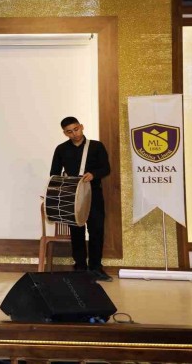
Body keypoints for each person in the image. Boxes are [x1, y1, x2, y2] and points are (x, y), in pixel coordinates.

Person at [50, 116, 111, 282]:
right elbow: (54, 173)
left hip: (94, 195)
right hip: (72, 196)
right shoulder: (61, 149)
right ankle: (80, 268)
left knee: (96, 230)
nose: (74, 134)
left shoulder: (96, 146)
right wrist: (63, 181)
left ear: (82, 127)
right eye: (69, 132)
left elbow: (106, 168)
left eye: (76, 129)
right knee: (77, 232)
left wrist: (94, 174)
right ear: (65, 133)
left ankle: (96, 268)